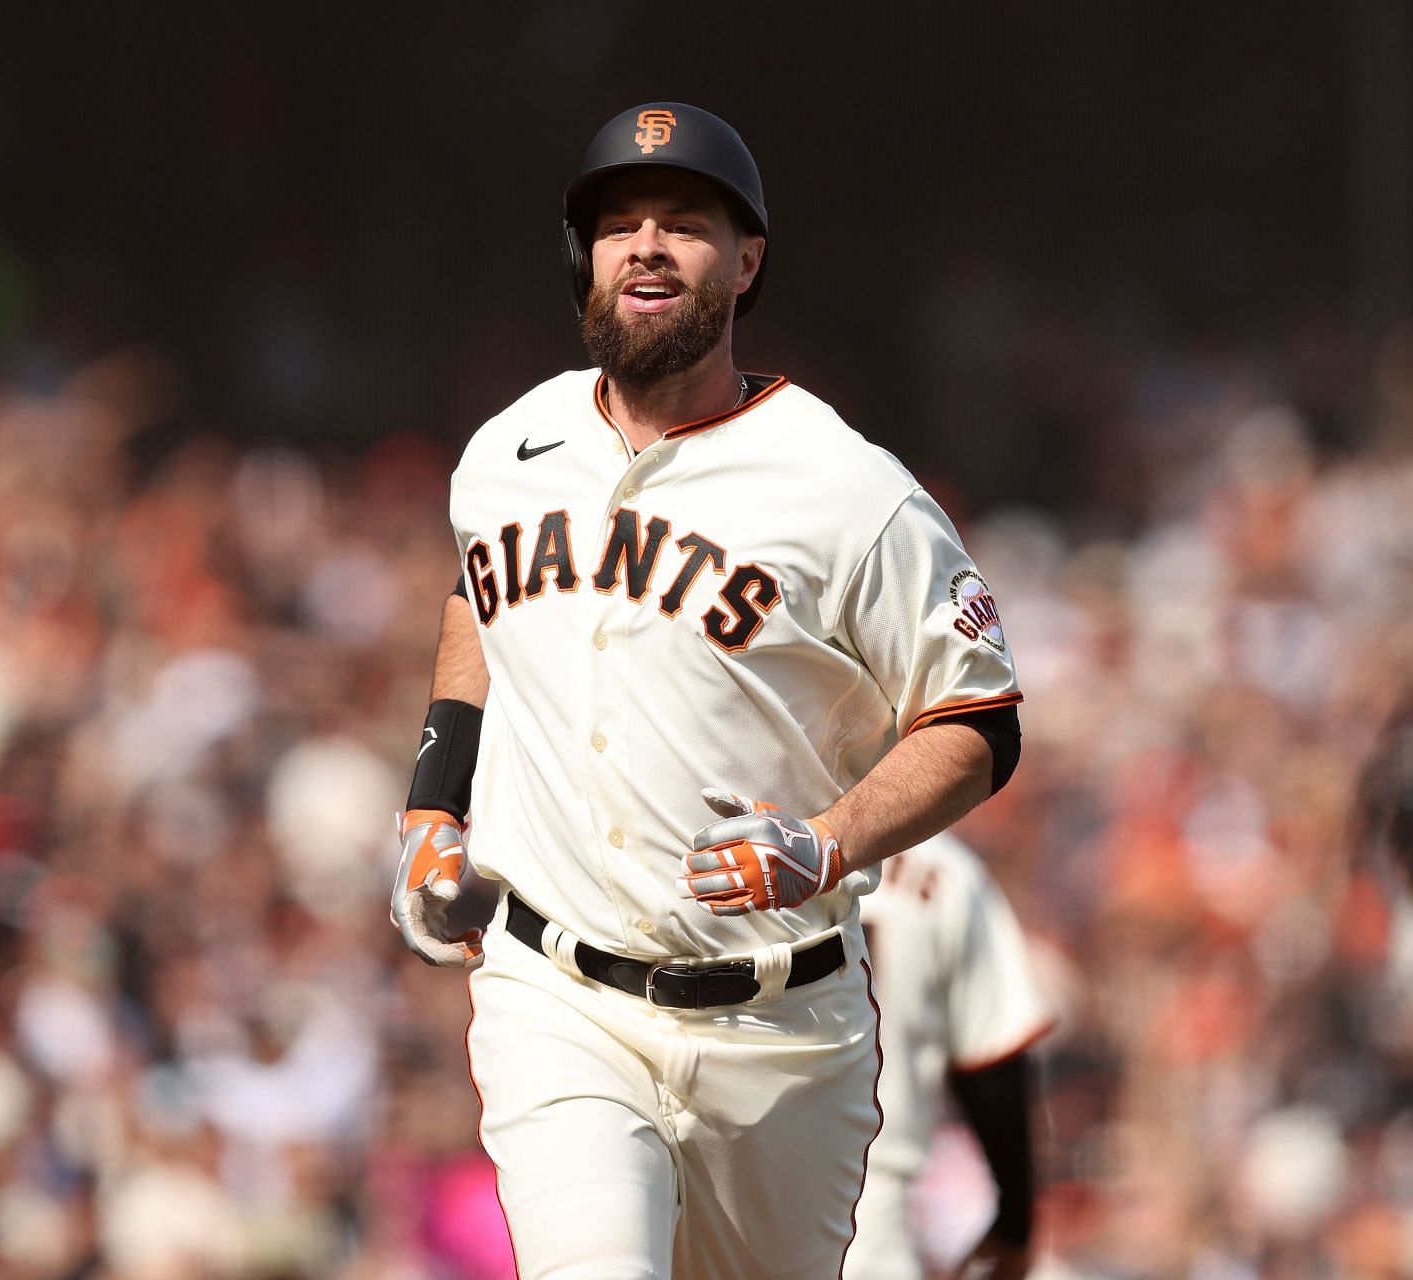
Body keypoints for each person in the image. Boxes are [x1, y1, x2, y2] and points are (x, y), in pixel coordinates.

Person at [388, 101, 1025, 1279]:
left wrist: (829, 842)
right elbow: (480, 599)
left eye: (683, 224)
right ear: (583, 258)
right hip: (558, 997)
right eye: (617, 223)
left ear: (746, 261)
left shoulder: (848, 489)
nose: (644, 245)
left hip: (781, 1029)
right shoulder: (507, 449)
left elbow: (980, 718)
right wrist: (435, 797)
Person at [844, 832, 1054, 1280]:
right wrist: (1015, 1225)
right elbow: (993, 1067)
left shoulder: (733, 838)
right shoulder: (941, 866)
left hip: (716, 1199)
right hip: (864, 1215)